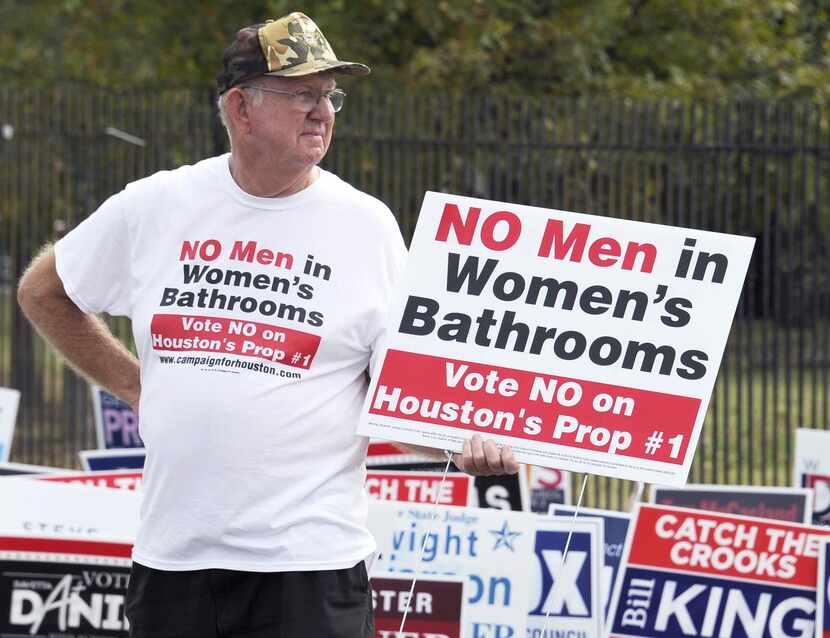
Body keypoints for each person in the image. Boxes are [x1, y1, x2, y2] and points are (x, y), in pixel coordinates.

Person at [17, 12, 518, 638]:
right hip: (175, 564)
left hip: (309, 571)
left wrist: (463, 443)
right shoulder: (158, 204)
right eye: (301, 93)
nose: (322, 111)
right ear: (240, 107)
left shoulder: (366, 226)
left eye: (329, 95)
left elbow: (399, 401)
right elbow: (43, 291)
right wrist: (134, 384)